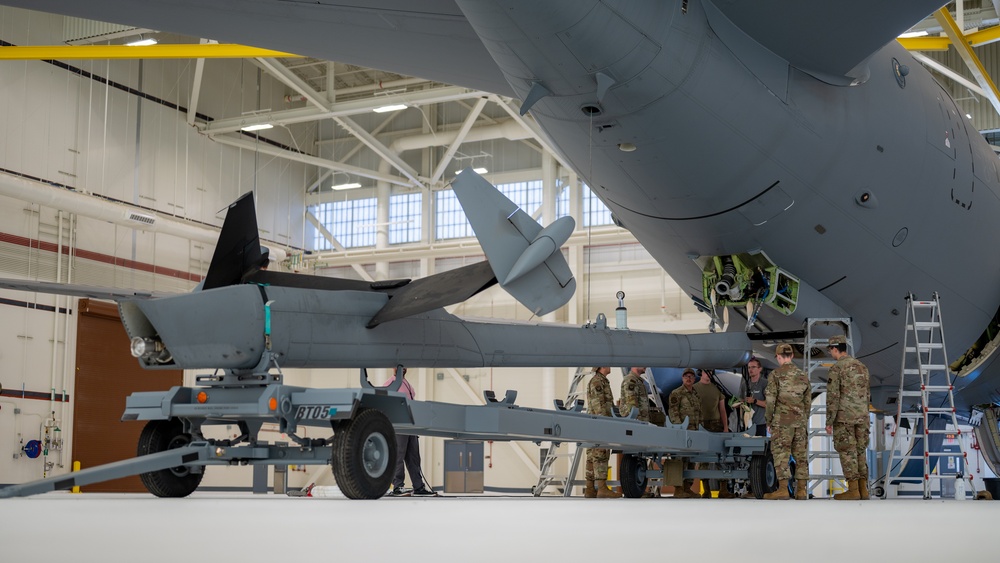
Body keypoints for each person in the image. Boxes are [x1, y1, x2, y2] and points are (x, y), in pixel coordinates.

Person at [762, 344, 811, 500]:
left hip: (782, 422)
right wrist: (803, 419)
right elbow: (808, 402)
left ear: (778, 356)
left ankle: (783, 489)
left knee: (781, 453)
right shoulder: (803, 375)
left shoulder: (776, 375)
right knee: (801, 455)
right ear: (792, 356)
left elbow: (770, 400)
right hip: (800, 422)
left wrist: (768, 420)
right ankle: (802, 490)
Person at [825, 334, 871, 500]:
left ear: (835, 349)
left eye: (831, 350)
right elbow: (867, 394)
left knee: (847, 451)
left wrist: (829, 421)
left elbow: (833, 396)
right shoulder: (862, 367)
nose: (831, 353)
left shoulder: (837, 368)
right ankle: (863, 489)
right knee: (860, 451)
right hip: (862, 416)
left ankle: (853, 489)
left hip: (844, 417)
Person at [384, 368, 435, 496]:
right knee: (398, 456)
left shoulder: (407, 383)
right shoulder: (390, 383)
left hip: (411, 425)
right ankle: (397, 486)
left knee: (414, 457)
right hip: (399, 425)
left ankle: (418, 487)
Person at [694, 369, 734, 498]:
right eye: (706, 372)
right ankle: (705, 489)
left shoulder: (717, 389)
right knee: (703, 458)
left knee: (721, 457)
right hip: (701, 424)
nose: (708, 374)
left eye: (710, 372)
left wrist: (726, 427)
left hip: (716, 424)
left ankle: (723, 489)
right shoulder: (694, 388)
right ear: (701, 373)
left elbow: (722, 409)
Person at [585, 366, 621, 498]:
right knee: (601, 453)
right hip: (600, 423)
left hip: (595, 423)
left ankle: (590, 489)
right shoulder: (598, 382)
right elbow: (598, 405)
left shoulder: (601, 381)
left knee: (592, 454)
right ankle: (601, 488)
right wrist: (604, 424)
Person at [668, 368, 701, 498]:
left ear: (694, 379)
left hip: (694, 431)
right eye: (686, 376)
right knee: (679, 459)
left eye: (691, 376)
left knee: (691, 460)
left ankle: (687, 487)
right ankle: (678, 488)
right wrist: (679, 429)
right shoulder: (677, 393)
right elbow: (673, 412)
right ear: (682, 378)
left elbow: (699, 413)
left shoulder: (696, 394)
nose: (689, 378)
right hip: (682, 431)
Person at [744, 358, 768, 436]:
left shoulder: (764, 383)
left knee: (759, 446)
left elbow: (768, 404)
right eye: (749, 367)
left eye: (753, 367)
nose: (751, 370)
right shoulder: (745, 384)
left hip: (760, 423)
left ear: (759, 369)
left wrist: (754, 401)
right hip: (747, 423)